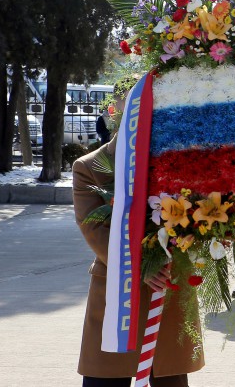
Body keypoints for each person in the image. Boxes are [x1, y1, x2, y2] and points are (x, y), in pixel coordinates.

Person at [73, 84, 203, 386]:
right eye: (131, 106)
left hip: (167, 288)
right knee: (106, 377)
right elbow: (93, 228)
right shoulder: (90, 167)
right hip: (117, 293)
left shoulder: (176, 161)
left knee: (168, 376)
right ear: (112, 112)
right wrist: (141, 266)